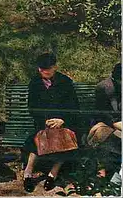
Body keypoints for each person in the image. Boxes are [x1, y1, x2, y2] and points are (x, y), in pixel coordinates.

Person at [23, 53, 79, 193]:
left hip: (63, 122)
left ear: (54, 67)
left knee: (67, 139)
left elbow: (74, 107)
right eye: (40, 69)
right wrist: (44, 120)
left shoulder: (65, 82)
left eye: (46, 69)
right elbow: (32, 107)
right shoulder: (35, 82)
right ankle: (28, 173)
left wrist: (62, 119)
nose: (43, 71)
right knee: (37, 138)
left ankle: (52, 174)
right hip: (43, 122)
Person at [87, 63, 121, 178]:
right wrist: (116, 123)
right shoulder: (104, 87)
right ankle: (101, 173)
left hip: (117, 124)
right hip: (107, 123)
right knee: (102, 135)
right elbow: (103, 114)